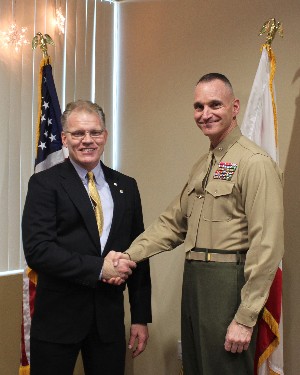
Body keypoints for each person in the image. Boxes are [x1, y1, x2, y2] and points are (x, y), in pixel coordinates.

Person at [109, 73, 284, 375]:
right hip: (195, 281)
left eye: (215, 104)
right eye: (198, 106)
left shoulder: (255, 162)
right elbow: (173, 224)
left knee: (224, 368)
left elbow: (266, 245)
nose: (206, 114)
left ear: (235, 107)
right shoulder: (203, 165)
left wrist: (245, 316)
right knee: (196, 367)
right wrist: (128, 255)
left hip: (228, 284)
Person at [22, 100, 151, 375]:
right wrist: (99, 269)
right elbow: (38, 250)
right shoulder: (45, 184)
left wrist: (140, 318)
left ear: (105, 136)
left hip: (108, 322)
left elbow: (139, 251)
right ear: (64, 139)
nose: (87, 141)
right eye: (78, 134)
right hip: (58, 321)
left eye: (94, 132)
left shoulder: (126, 186)